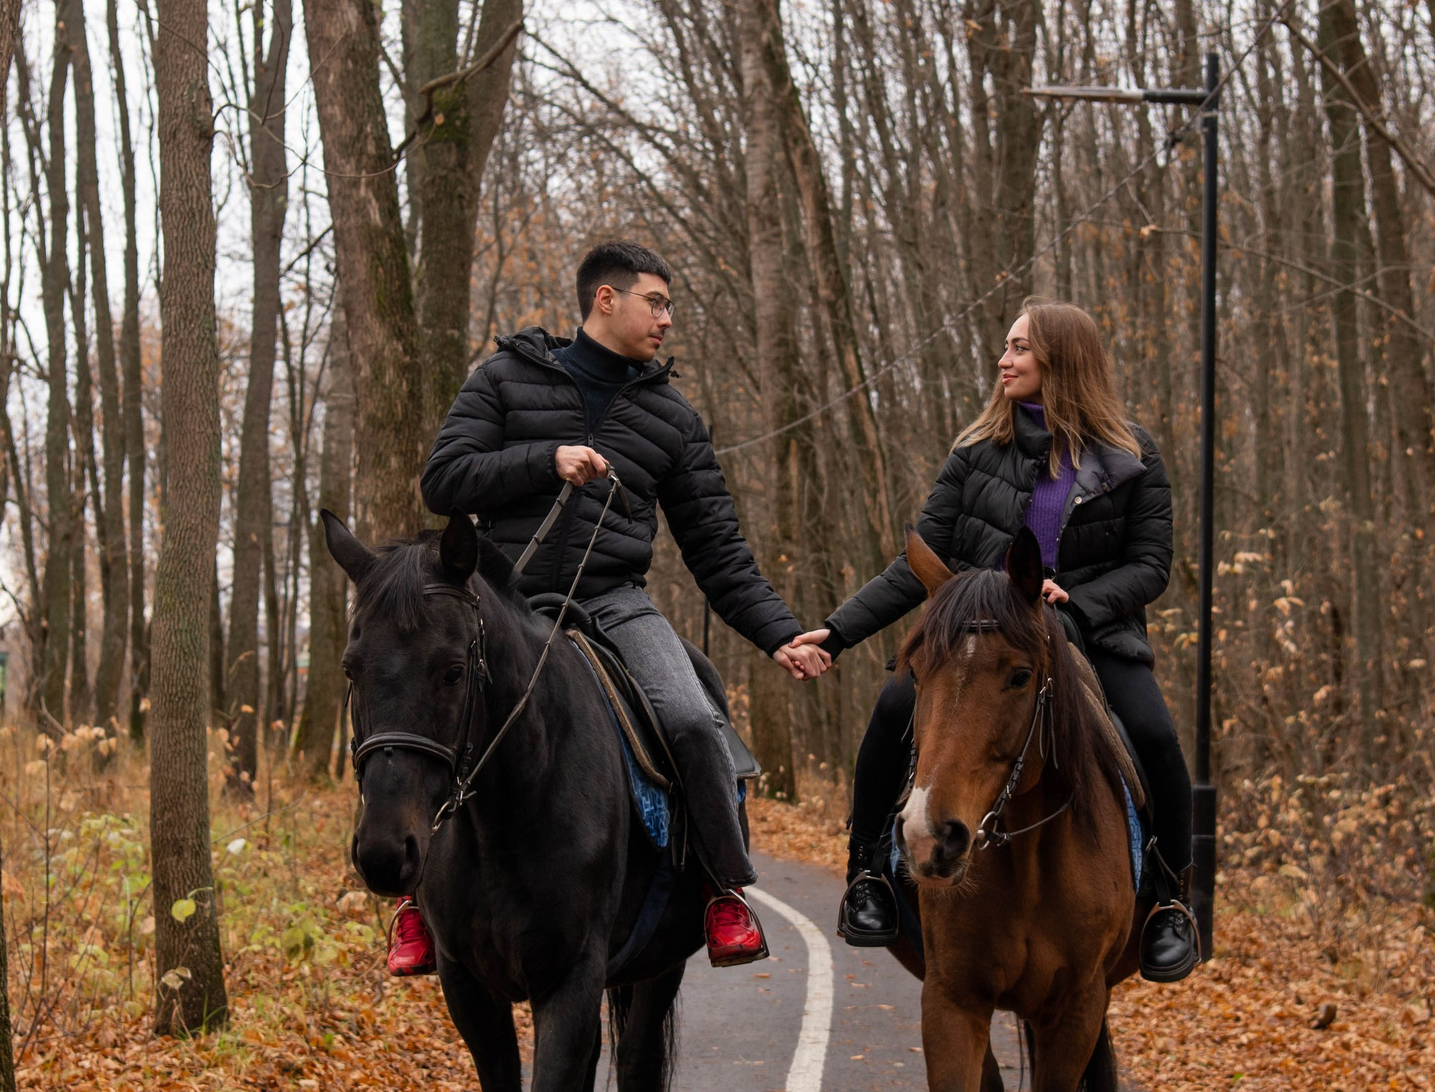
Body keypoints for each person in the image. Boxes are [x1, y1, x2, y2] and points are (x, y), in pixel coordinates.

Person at [389, 240, 830, 976]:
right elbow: (444, 479)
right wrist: (544, 458)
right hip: (500, 602)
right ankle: (412, 903)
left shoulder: (673, 419)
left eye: (668, 306)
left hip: (612, 604)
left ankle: (724, 891)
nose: (667, 318)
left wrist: (779, 634)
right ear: (606, 299)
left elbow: (717, 550)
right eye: (655, 302)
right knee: (410, 705)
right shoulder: (504, 376)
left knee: (692, 718)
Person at [793, 301, 1199, 982]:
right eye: (1006, 347)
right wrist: (838, 630)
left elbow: (1151, 564)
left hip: (1090, 635)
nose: (1004, 361)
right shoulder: (976, 451)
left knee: (1154, 735)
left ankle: (1168, 902)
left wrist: (1080, 600)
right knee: (893, 711)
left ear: (1060, 360)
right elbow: (918, 558)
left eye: (1019, 348)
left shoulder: (1131, 456)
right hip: (980, 643)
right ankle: (868, 874)